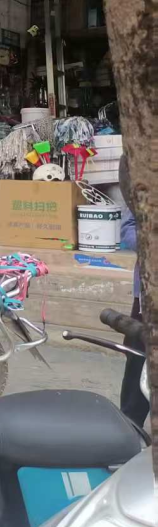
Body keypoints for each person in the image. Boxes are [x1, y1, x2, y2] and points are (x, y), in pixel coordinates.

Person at [117, 154, 147, 428]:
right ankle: (130, 430)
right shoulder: (145, 176)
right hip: (148, 296)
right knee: (137, 361)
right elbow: (127, 229)